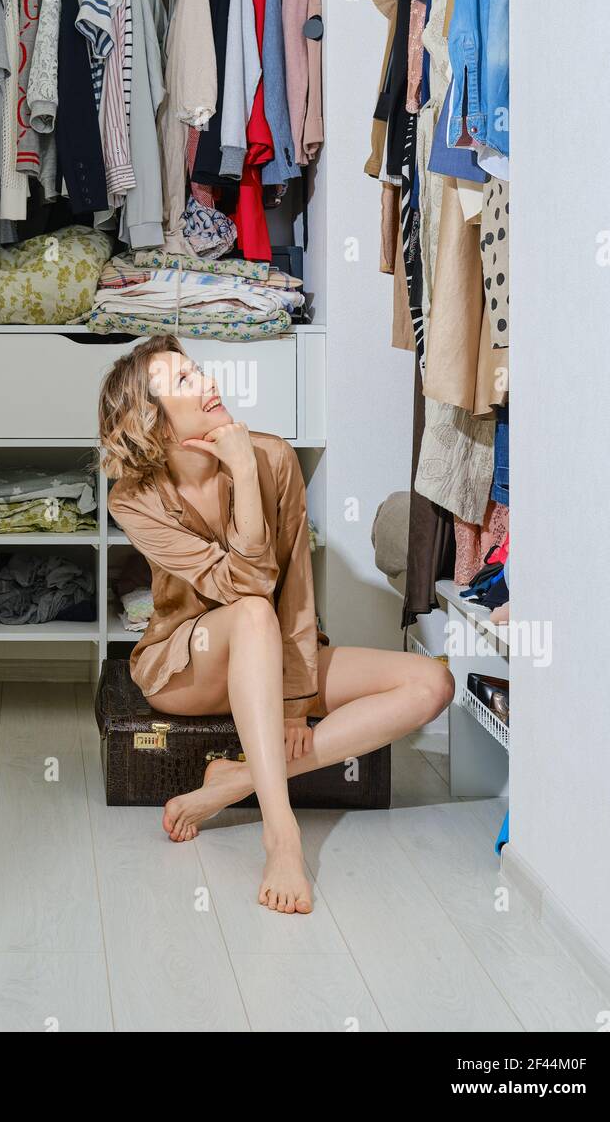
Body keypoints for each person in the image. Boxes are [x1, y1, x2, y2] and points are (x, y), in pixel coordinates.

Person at [99, 334, 455, 915]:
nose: (209, 382)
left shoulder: (273, 456)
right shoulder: (133, 498)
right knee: (252, 614)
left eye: (199, 371)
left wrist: (293, 698)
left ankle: (237, 781)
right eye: (186, 382)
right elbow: (245, 589)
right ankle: (280, 833)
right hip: (189, 667)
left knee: (431, 683)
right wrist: (236, 466)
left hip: (276, 655)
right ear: (156, 425)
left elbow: (295, 585)